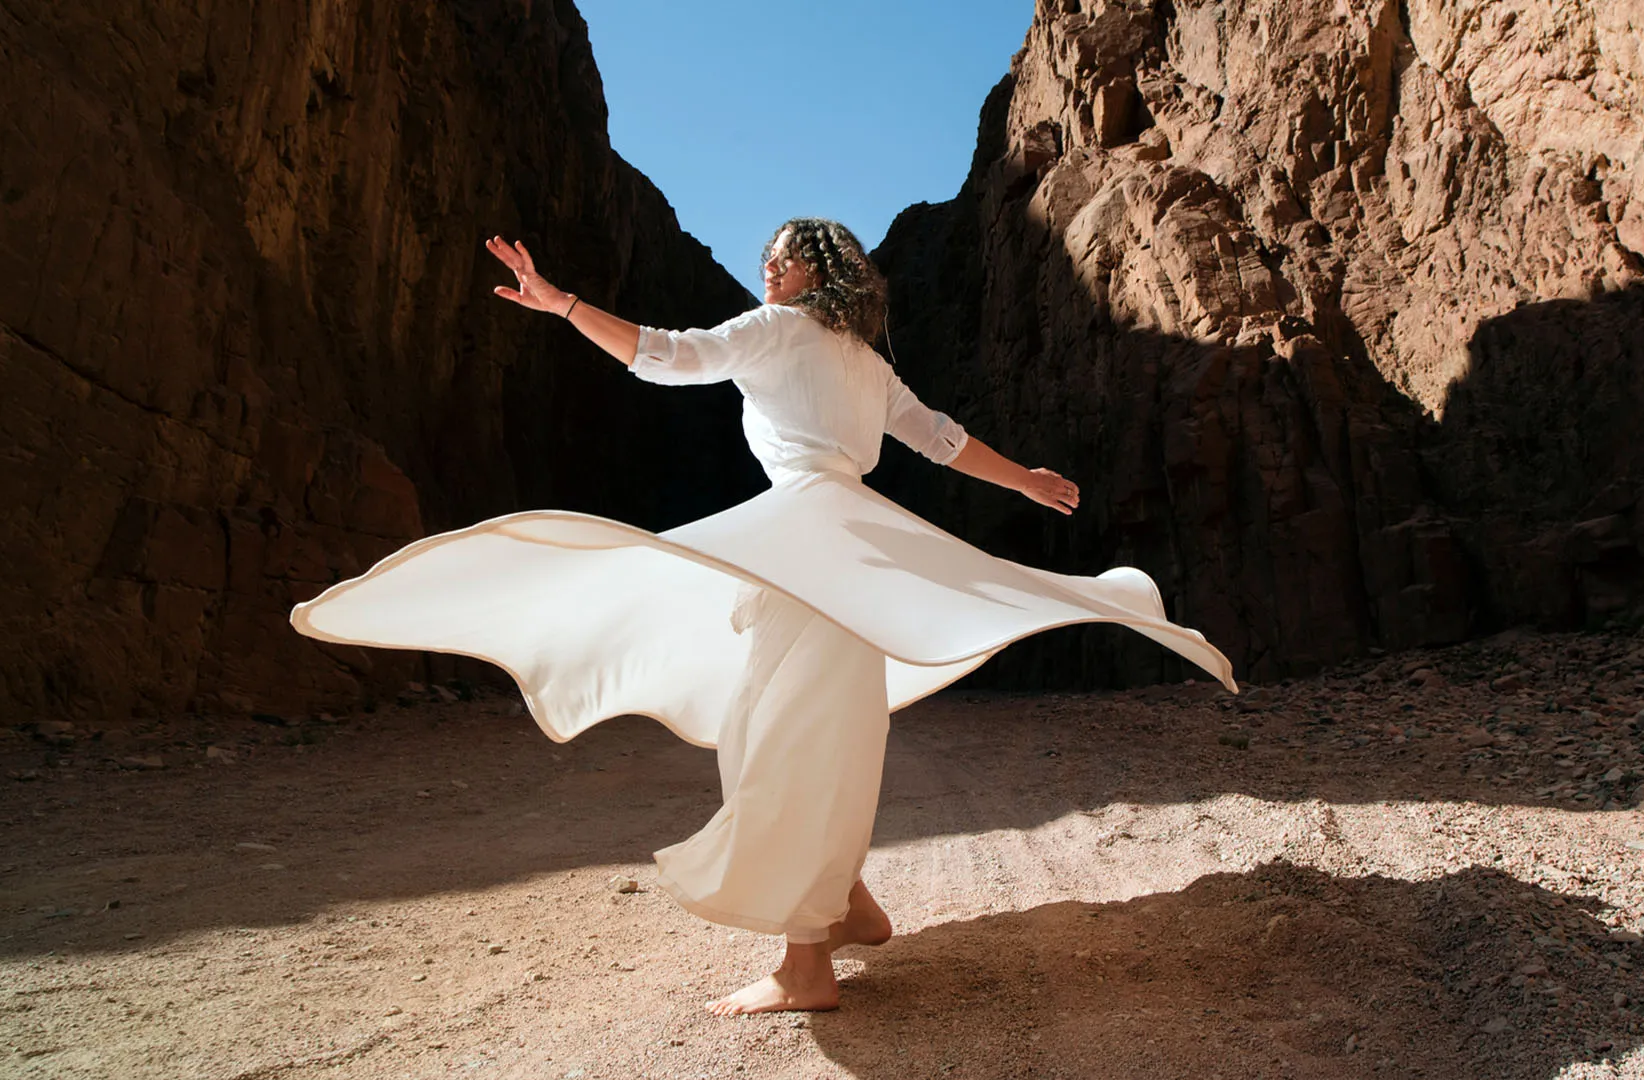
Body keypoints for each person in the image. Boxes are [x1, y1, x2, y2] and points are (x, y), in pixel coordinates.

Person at [290, 218, 1236, 1016]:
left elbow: (670, 357)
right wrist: (1023, 478)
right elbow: (941, 442)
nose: (766, 269)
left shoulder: (782, 330)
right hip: (848, 551)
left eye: (781, 258)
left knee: (781, 742)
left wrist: (564, 304)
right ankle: (849, 901)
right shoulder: (866, 363)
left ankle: (804, 964)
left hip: (812, 546)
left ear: (815, 274)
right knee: (811, 730)